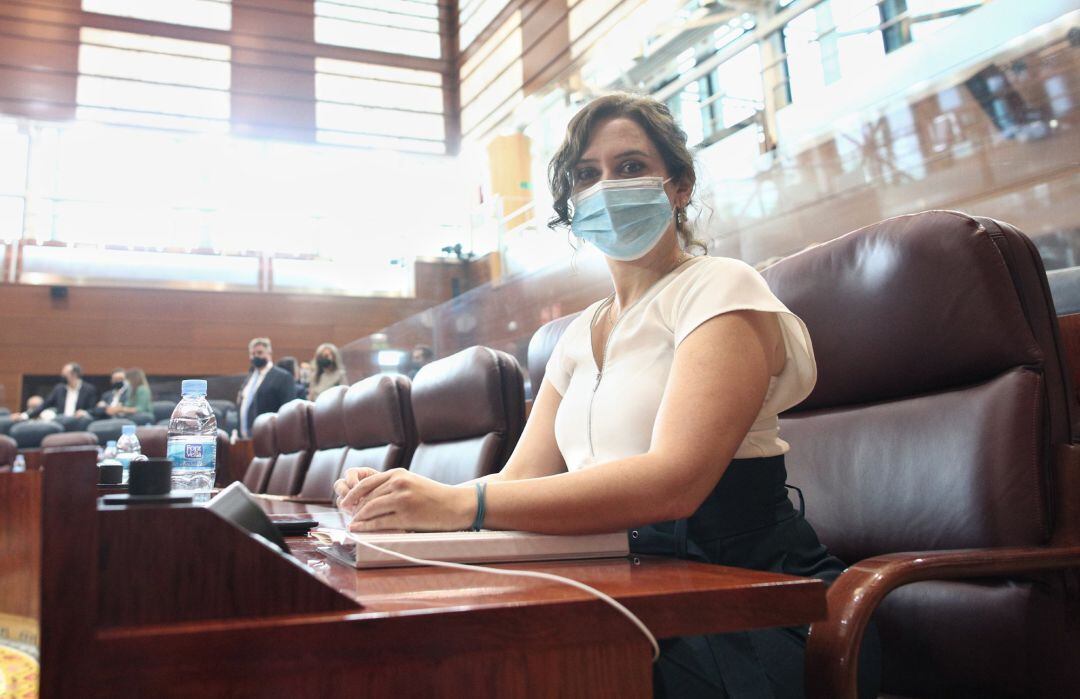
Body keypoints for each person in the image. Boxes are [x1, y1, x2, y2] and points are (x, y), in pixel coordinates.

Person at [334, 93, 879, 698]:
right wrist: (406, 501)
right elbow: (519, 479)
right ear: (571, 204)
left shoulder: (721, 287)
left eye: (630, 167)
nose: (607, 188)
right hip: (624, 577)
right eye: (587, 175)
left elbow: (675, 483)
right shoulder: (575, 335)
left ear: (678, 187)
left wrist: (459, 506)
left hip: (745, 599)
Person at [237, 337, 296, 439]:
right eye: (253, 354)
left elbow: (288, 410)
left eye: (260, 353)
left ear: (269, 353)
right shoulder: (250, 378)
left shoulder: (283, 377)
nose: (256, 356)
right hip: (245, 439)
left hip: (270, 437)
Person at [17, 362, 97, 421]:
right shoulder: (59, 389)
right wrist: (25, 415)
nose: (62, 376)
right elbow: (45, 405)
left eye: (65, 374)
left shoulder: (89, 389)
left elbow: (93, 409)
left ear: (74, 374)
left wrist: (85, 412)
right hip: (61, 420)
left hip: (78, 421)